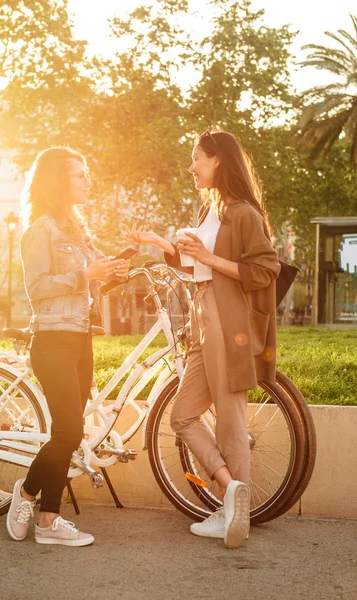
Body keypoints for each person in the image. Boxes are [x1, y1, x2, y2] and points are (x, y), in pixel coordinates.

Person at [125, 130, 280, 549]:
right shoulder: (208, 210)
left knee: (230, 421)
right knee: (183, 416)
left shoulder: (243, 212)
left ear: (218, 161)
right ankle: (231, 491)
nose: (191, 166)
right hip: (201, 312)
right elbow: (197, 268)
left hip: (227, 319)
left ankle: (234, 514)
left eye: (197, 158)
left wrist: (209, 258)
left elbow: (265, 269)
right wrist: (161, 244)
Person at [6, 147, 129, 547]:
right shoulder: (38, 231)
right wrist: (85, 274)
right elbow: (37, 288)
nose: (87, 181)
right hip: (52, 341)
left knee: (68, 434)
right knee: (69, 431)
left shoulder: (77, 230)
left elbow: (95, 272)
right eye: (79, 175)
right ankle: (25, 494)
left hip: (80, 341)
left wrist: (117, 266)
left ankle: (48, 522)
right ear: (59, 181)